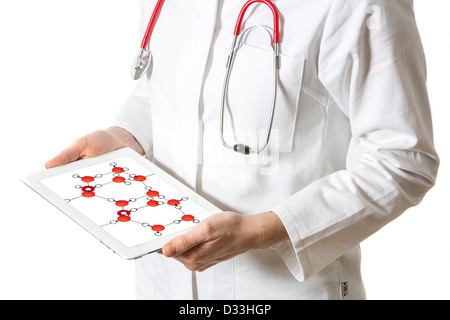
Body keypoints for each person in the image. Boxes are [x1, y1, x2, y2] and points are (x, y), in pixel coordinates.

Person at [46, 0, 439, 300]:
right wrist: (126, 135)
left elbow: (402, 160)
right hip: (161, 284)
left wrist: (265, 231)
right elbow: (162, 91)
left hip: (277, 291)